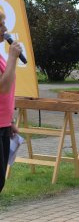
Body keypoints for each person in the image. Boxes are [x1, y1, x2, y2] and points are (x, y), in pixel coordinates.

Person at [0, 10, 20, 193]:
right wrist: (13, 57)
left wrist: (10, 120)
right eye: (0, 24)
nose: (4, 29)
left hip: (3, 124)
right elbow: (3, 87)